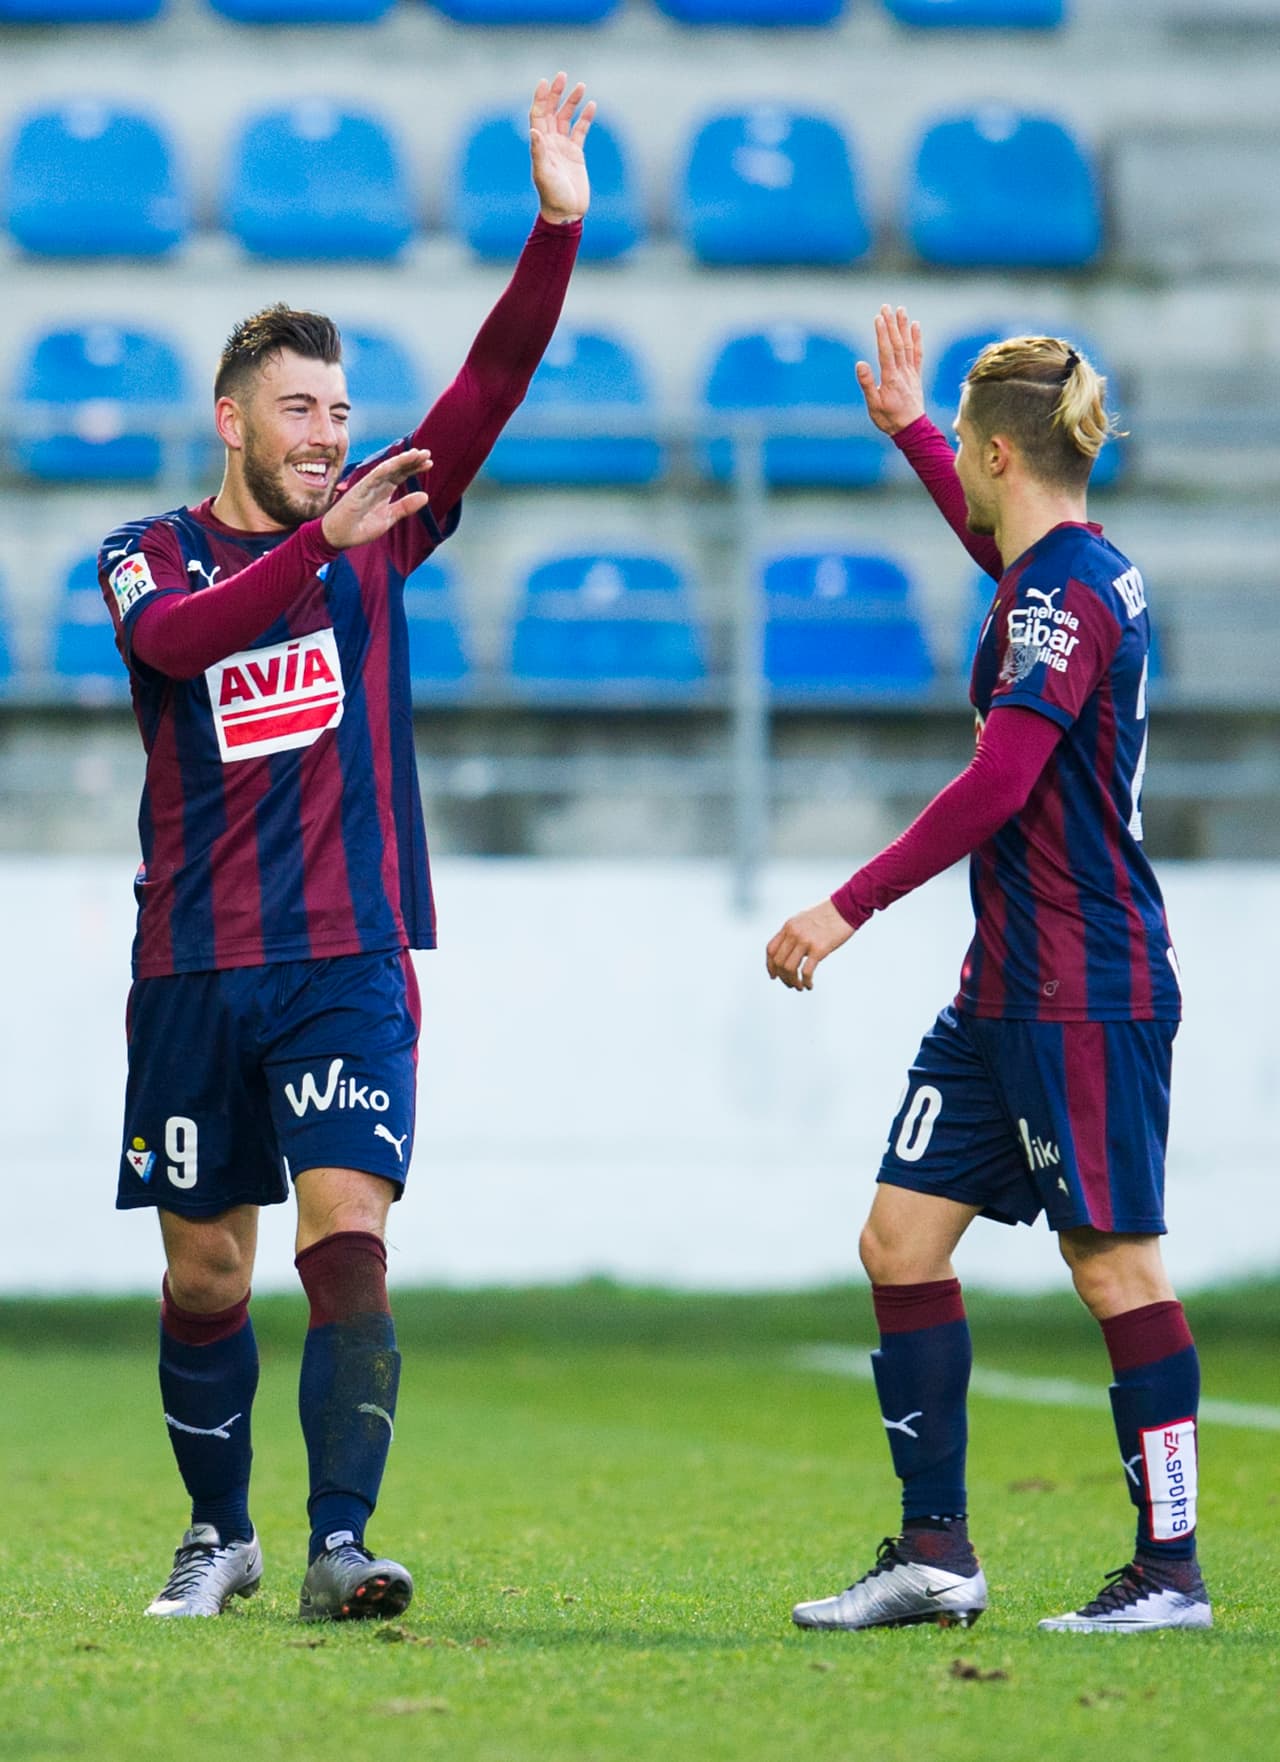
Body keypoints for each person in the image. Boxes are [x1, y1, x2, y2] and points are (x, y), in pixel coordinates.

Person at [97, 74, 595, 1622]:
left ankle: (336, 1541)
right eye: (302, 413)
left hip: (345, 953)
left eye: (342, 413)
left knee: (347, 1230)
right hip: (192, 962)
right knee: (208, 1277)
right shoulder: (144, 556)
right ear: (235, 418)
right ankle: (219, 1529)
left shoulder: (387, 519)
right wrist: (322, 544)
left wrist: (555, 228)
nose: (332, 439)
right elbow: (181, 644)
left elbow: (493, 383)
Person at [766, 307, 1208, 1635]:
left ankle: (1170, 1568)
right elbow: (995, 551)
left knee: (1116, 1265)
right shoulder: (1053, 570)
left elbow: (1002, 777)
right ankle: (935, 1551)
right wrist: (906, 424)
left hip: (1087, 982)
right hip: (1004, 986)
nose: (957, 466)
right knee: (898, 1240)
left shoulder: (1064, 591)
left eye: (961, 444)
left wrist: (848, 904)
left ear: (1002, 454)